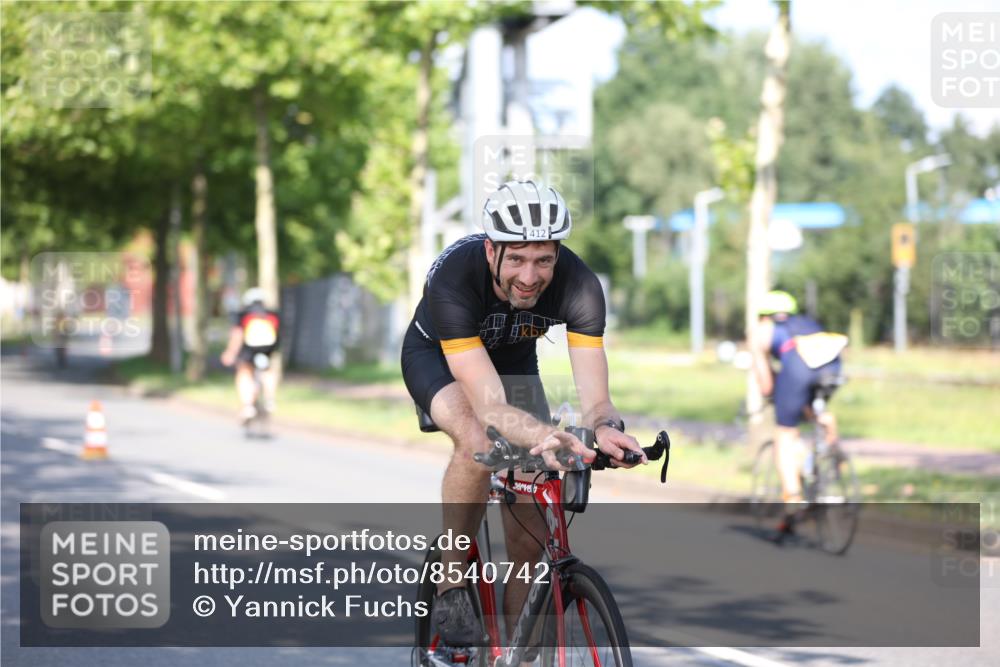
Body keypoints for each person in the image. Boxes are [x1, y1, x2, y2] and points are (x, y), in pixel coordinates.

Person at [401, 180, 646, 650]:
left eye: (543, 260)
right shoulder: (455, 276)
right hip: (439, 358)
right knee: (478, 442)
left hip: (513, 361)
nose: (530, 276)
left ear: (558, 253)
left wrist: (606, 430)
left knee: (528, 538)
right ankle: (452, 583)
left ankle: (514, 654)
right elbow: (490, 407)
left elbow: (597, 400)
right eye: (516, 259)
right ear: (491, 250)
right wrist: (548, 434)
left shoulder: (580, 285)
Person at [750, 290, 848, 541]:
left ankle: (793, 498)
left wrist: (773, 388)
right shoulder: (807, 324)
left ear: (764, 316)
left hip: (797, 367)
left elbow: (766, 387)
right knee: (813, 408)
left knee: (785, 434)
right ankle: (830, 446)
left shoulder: (763, 329)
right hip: (832, 364)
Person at [220, 287, 280, 423]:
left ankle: (247, 406)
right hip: (267, 350)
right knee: (268, 371)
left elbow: (237, 334)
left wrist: (230, 353)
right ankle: (270, 399)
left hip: (249, 350)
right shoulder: (272, 314)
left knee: (244, 372)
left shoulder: (244, 314)